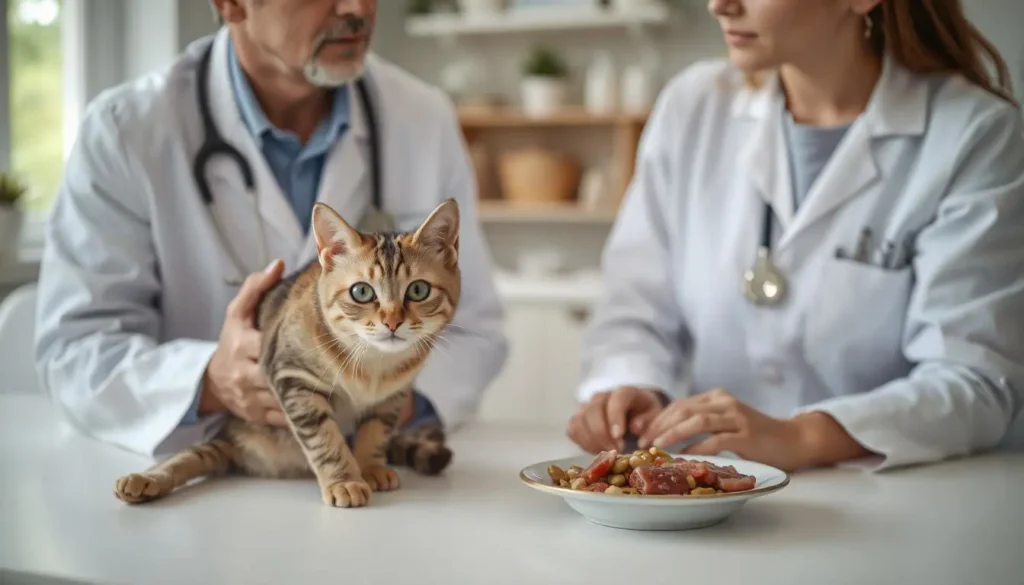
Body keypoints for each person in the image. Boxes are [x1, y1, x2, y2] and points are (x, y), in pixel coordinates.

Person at [33, 0, 508, 459]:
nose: (359, 8)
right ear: (232, 4)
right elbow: (76, 351)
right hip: (212, 477)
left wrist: (392, 398)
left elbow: (477, 326)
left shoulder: (421, 118)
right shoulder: (125, 132)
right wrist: (209, 381)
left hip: (375, 480)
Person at [568, 0, 1024, 472]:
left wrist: (801, 436)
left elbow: (976, 379)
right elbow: (634, 311)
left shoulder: (972, 133)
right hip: (708, 492)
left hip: (894, 499)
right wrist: (633, 386)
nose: (719, 5)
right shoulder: (694, 106)